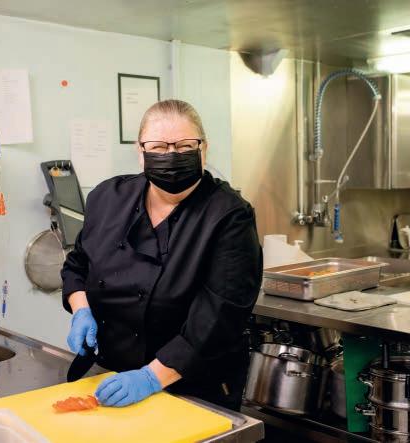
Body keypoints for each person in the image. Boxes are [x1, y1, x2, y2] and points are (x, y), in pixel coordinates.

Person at [61, 99, 263, 410]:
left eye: (184, 146)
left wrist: (151, 378)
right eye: (158, 147)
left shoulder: (229, 216)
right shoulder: (107, 198)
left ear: (204, 149)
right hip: (110, 376)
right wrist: (81, 310)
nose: (171, 156)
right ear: (140, 151)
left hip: (192, 388)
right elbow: (77, 266)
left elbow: (218, 319)